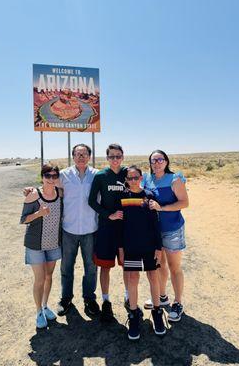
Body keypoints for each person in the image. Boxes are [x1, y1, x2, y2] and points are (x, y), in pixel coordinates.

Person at [119, 165, 166, 340]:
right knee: (132, 279)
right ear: (126, 180)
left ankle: (157, 312)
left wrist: (158, 247)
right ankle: (133, 316)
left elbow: (156, 225)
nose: (133, 181)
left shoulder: (149, 196)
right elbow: (120, 226)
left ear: (141, 177)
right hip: (130, 246)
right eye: (129, 178)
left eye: (136, 177)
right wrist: (121, 249)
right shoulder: (123, 197)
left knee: (153, 277)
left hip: (149, 245)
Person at [142, 150, 189, 322]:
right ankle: (162, 297)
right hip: (154, 231)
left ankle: (178, 302)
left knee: (174, 266)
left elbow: (184, 202)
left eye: (160, 159)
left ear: (166, 161)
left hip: (172, 228)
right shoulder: (147, 179)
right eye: (153, 160)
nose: (157, 163)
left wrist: (162, 208)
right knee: (159, 265)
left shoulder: (174, 179)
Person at [57, 144, 100, 317]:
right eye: (77, 154)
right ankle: (65, 298)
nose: (81, 156)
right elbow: (48, 186)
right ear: (73, 156)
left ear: (89, 156)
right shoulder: (63, 175)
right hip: (69, 229)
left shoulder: (97, 175)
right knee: (67, 266)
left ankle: (89, 298)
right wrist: (32, 191)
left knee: (91, 267)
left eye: (84, 154)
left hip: (91, 229)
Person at [88, 143, 129, 322]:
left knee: (128, 265)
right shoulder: (101, 176)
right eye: (111, 156)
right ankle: (106, 301)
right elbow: (92, 201)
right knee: (105, 266)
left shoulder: (128, 173)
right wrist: (108, 215)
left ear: (123, 157)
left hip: (126, 228)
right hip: (106, 228)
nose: (115, 159)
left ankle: (129, 298)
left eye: (118, 156)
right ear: (107, 158)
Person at [20, 163, 63, 329]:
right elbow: (23, 219)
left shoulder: (60, 193)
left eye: (54, 176)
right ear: (42, 177)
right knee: (39, 279)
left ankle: (45, 306)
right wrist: (38, 213)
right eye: (47, 176)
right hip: (35, 244)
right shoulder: (33, 195)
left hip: (53, 243)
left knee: (48, 276)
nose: (51, 179)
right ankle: (38, 312)